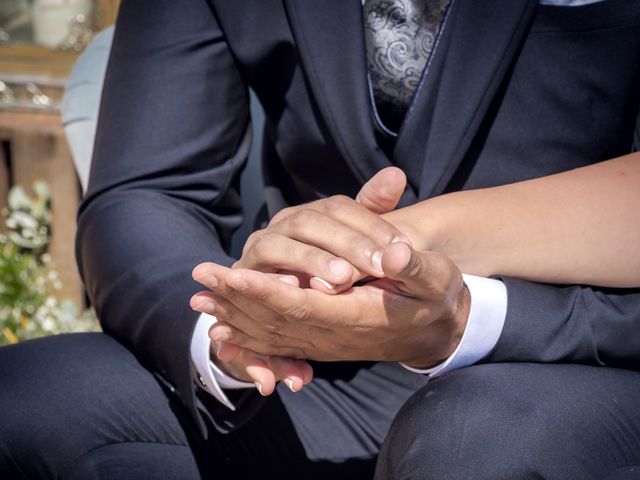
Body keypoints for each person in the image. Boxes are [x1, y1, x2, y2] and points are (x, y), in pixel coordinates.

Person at [1, 1, 639, 479]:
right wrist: (234, 324)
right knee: (31, 398)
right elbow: (148, 190)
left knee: (478, 441)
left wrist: (469, 319)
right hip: (318, 377)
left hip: (579, 356)